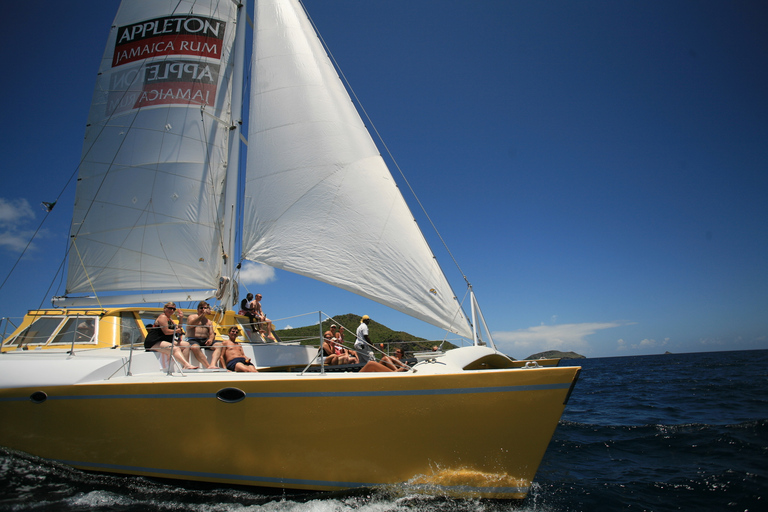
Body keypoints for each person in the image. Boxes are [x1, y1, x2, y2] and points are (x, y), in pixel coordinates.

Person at [143, 302, 197, 369]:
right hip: (154, 342)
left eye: (173, 309)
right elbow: (166, 331)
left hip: (165, 340)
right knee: (175, 349)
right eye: (170, 308)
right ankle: (187, 365)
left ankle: (185, 367)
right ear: (165, 308)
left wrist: (181, 318)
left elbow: (178, 328)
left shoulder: (170, 319)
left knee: (186, 345)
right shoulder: (162, 317)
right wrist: (176, 331)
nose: (172, 310)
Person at [185, 301, 223, 369]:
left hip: (205, 340)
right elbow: (192, 325)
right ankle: (207, 366)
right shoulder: (192, 317)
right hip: (193, 339)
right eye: (201, 308)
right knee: (195, 347)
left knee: (219, 345)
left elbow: (211, 333)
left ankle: (213, 364)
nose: (203, 309)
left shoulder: (209, 322)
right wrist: (203, 314)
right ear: (197, 309)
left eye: (205, 308)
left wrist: (211, 339)